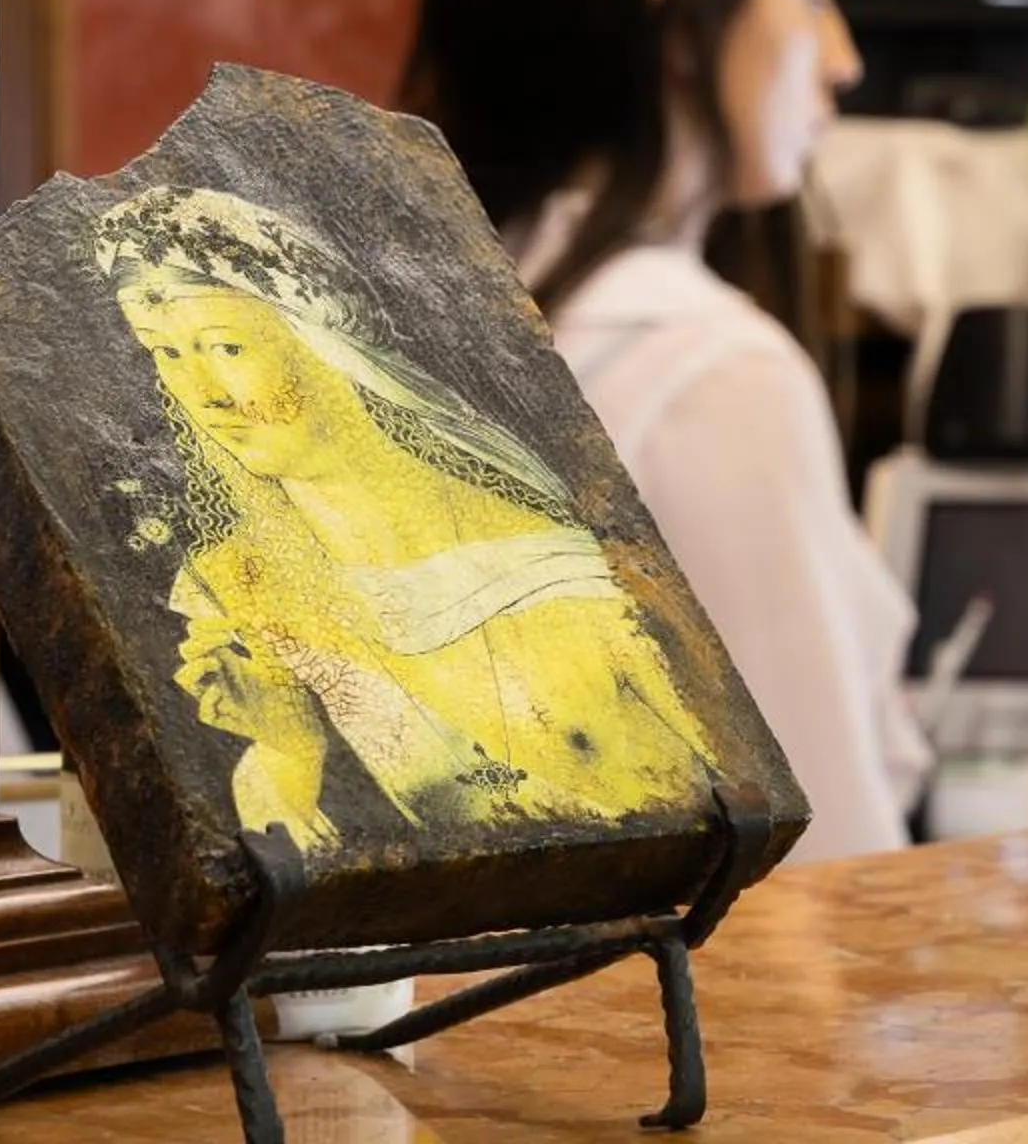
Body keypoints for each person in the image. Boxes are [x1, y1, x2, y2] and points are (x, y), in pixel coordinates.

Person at [407, 0, 928, 861]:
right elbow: (825, 874)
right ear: (681, 14)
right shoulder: (710, 376)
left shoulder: (426, 308)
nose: (843, 60)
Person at [95, 183, 724, 854]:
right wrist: (289, 750)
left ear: (323, 347)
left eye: (228, 349)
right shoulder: (233, 582)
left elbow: (663, 811)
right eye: (166, 355)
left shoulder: (540, 559)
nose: (204, 394)